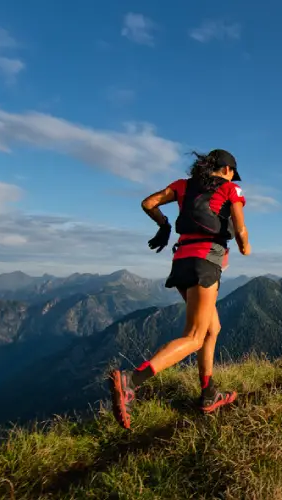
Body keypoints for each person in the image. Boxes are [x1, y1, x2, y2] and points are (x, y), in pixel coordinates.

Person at [107, 148, 251, 429]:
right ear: (226, 169)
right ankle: (131, 382)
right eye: (233, 172)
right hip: (205, 262)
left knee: (212, 329)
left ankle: (208, 394)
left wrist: (164, 224)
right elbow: (240, 228)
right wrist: (244, 247)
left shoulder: (182, 186)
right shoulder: (232, 190)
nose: (233, 176)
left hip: (181, 261)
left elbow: (148, 203)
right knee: (195, 336)